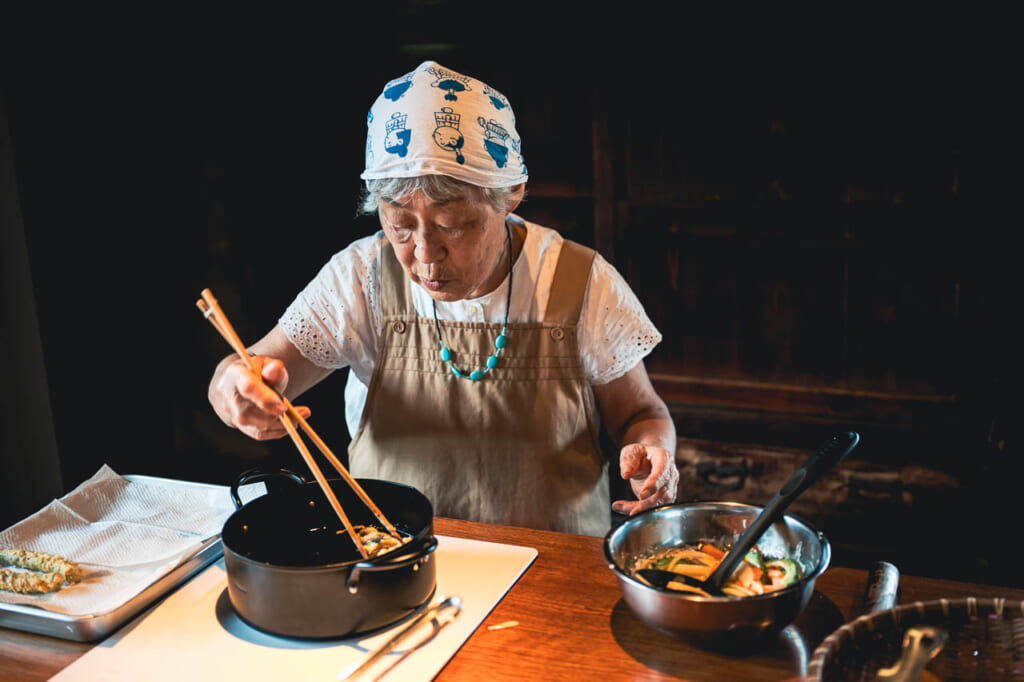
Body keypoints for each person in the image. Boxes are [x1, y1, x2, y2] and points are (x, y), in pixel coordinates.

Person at [207, 61, 678, 536]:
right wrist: (234, 387)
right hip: (397, 559)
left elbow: (642, 414)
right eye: (400, 227)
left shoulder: (580, 280)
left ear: (508, 195)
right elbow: (254, 368)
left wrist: (654, 449)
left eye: (452, 226)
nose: (425, 255)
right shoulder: (360, 276)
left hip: (551, 569)